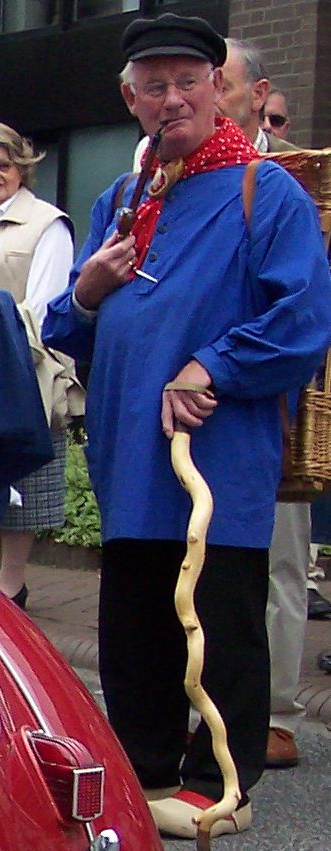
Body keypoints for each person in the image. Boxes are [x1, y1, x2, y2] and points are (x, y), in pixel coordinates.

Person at [42, 14, 331, 840]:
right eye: (154, 86)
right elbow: (66, 326)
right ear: (130, 99)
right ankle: (145, 769)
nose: (172, 99)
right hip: (130, 449)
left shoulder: (264, 190)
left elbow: (304, 319)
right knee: (134, 620)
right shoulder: (119, 199)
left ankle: (220, 784)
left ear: (217, 89)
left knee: (220, 615)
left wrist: (215, 366)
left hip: (217, 456)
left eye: (188, 82)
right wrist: (90, 289)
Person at [219, 40, 314, 770]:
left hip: (272, 399)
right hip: (189, 403)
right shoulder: (151, 170)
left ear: (259, 95)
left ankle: (277, 710)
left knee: (276, 553)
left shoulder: (292, 176)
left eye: (217, 81)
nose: (199, 96)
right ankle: (203, 705)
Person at [0, 123, 79, 608]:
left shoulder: (48, 224)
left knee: (23, 483)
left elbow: (48, 307)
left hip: (28, 372)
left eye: (3, 165)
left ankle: (13, 583)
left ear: (21, 167)